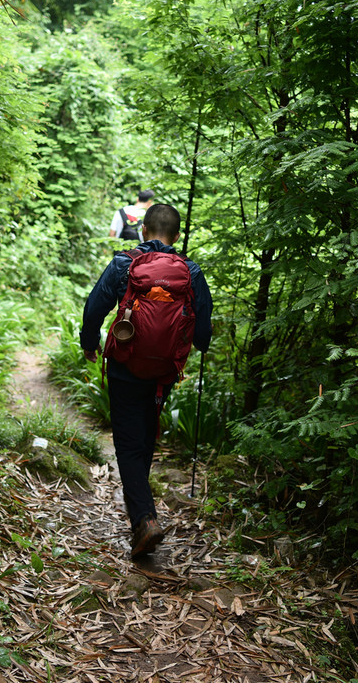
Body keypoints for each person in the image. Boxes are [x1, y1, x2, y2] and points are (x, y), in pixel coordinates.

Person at [82, 203, 213, 557]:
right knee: (145, 430)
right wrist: (194, 343)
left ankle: (144, 518)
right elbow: (203, 333)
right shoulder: (191, 271)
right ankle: (143, 517)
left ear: (143, 231)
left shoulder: (124, 265)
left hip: (126, 364)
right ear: (178, 236)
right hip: (163, 371)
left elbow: (94, 307)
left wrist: (89, 342)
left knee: (127, 442)